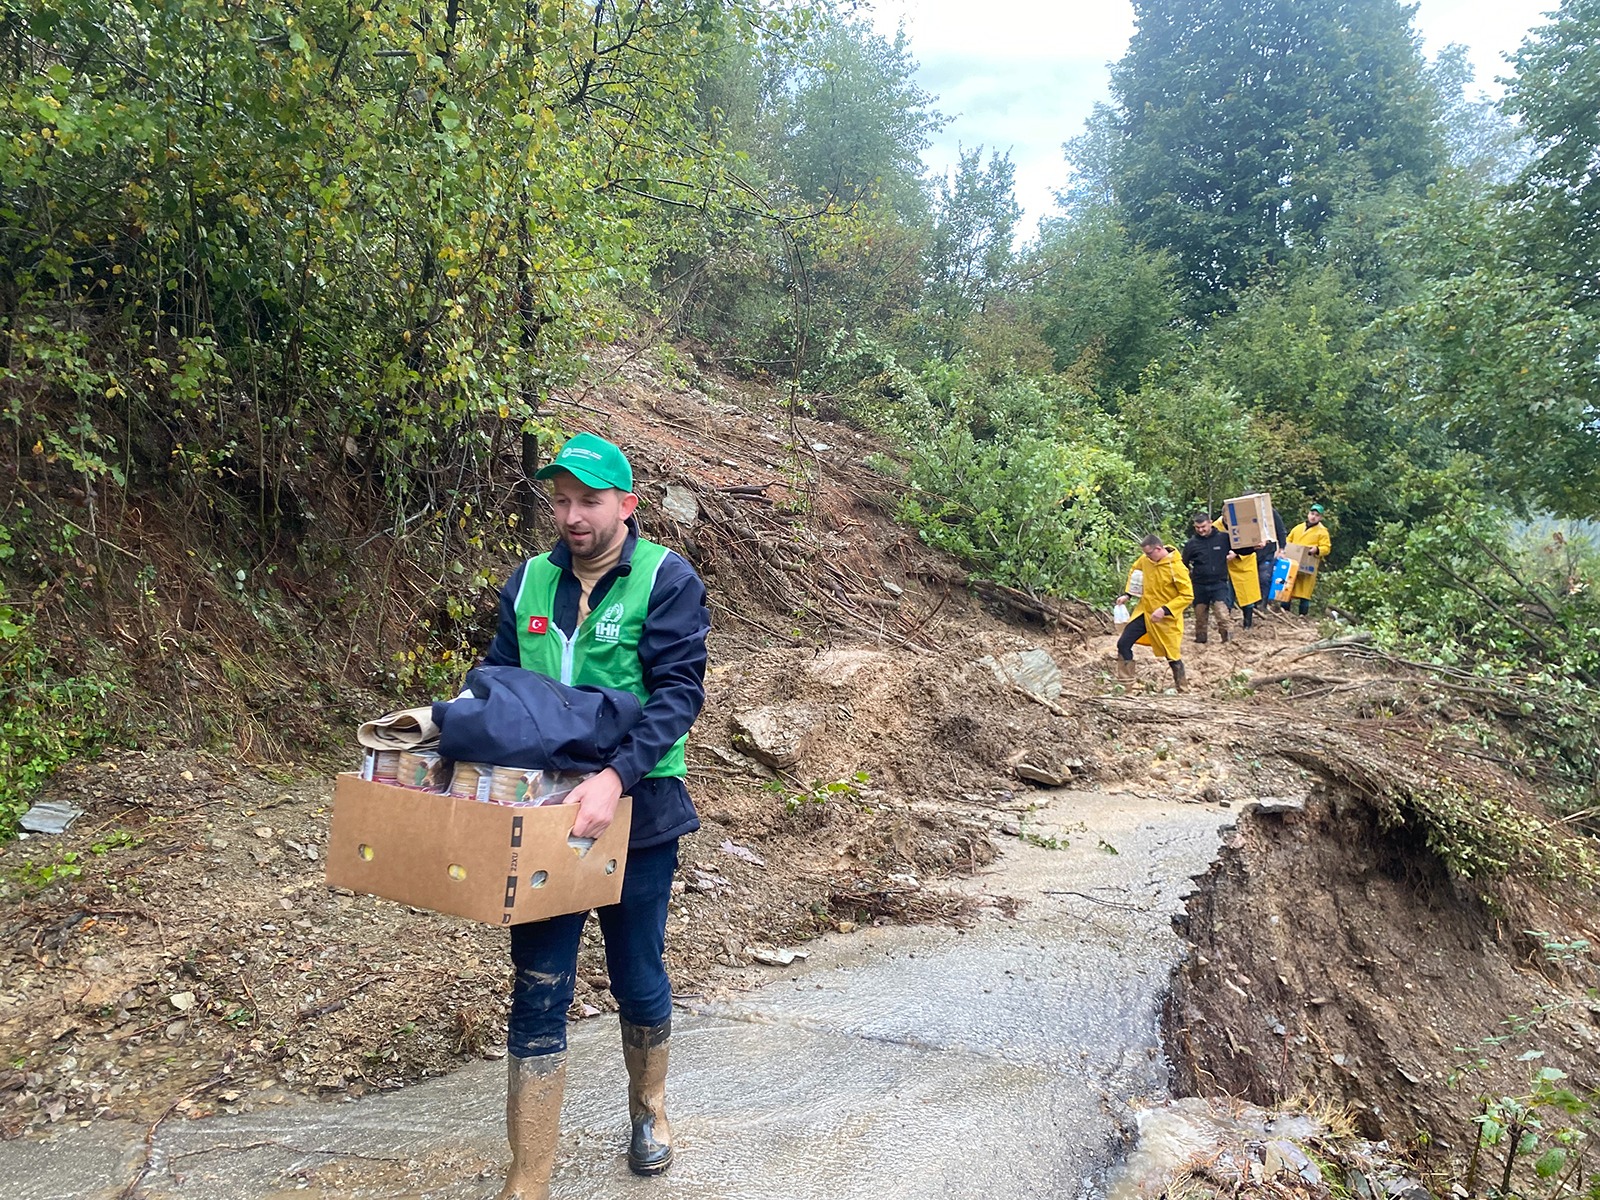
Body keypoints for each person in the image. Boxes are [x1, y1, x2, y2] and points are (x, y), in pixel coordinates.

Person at [479, 432, 710, 1200]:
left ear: (626, 505)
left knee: (634, 972)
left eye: (589, 501)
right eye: (562, 500)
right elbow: (502, 685)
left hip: (637, 809)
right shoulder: (529, 583)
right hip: (542, 812)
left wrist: (615, 777)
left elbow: (679, 692)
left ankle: (649, 1110)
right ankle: (529, 1176)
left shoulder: (664, 579)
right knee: (538, 981)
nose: (572, 516)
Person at [1114, 533, 1193, 692]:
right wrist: (1128, 594)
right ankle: (1125, 687)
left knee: (1172, 655)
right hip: (1145, 612)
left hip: (1166, 619)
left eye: (1149, 553)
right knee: (1123, 643)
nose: (1146, 557)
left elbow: (1187, 595)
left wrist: (1165, 610)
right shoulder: (1146, 560)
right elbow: (1136, 572)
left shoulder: (1176, 568)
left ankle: (1183, 689)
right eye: (1145, 554)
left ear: (1158, 548)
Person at [1180, 511, 1235, 644]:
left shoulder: (1224, 538)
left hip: (1219, 583)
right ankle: (1200, 642)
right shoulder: (1192, 544)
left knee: (1222, 614)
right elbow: (1183, 564)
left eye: (1203, 527)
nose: (1201, 530)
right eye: (1197, 528)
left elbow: (1242, 549)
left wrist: (1236, 554)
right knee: (1200, 616)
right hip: (1199, 584)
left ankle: (1228, 642)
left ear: (1210, 523)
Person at [1281, 503, 1332, 617]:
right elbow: (1288, 540)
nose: (1313, 517)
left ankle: (1302, 616)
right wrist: (1284, 550)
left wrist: (1317, 549)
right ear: (1308, 514)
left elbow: (1327, 547)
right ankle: (1284, 613)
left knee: (1305, 592)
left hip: (1308, 564)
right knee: (1288, 587)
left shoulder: (1322, 531)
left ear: (1321, 518)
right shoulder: (1298, 528)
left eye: (1317, 515)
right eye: (1312, 514)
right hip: (1293, 563)